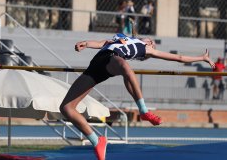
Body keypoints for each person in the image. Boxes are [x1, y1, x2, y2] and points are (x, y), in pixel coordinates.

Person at [59, 33, 215, 160]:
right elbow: (101, 43)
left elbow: (179, 58)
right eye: (151, 40)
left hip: (112, 59)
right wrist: (86, 43)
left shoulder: (147, 49)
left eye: (152, 43)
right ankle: (97, 140)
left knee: (125, 67)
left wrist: (201, 58)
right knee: (66, 108)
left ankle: (144, 110)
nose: (151, 41)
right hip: (95, 66)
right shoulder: (123, 38)